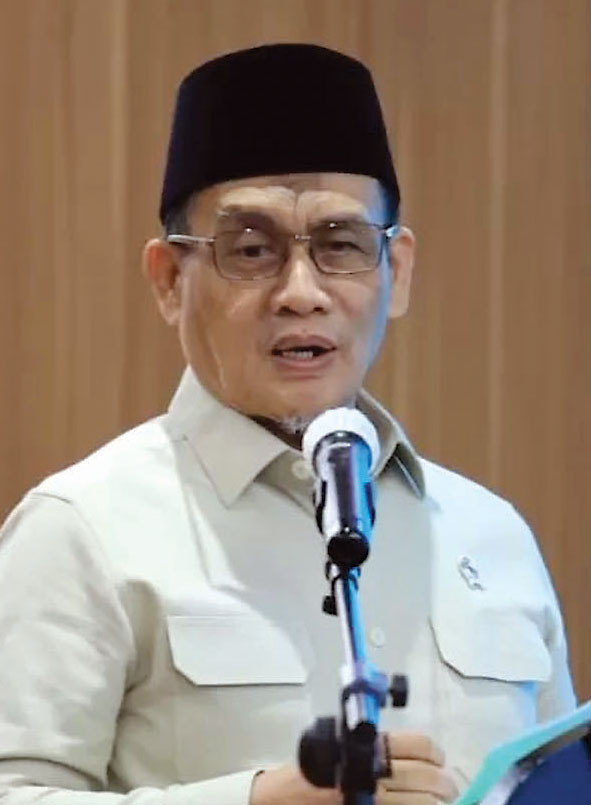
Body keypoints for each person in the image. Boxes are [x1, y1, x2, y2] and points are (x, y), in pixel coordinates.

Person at [0, 44, 576, 805]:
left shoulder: (490, 534)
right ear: (169, 280)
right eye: (250, 250)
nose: (301, 292)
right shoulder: (82, 529)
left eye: (340, 246)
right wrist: (253, 800)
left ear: (396, 271)